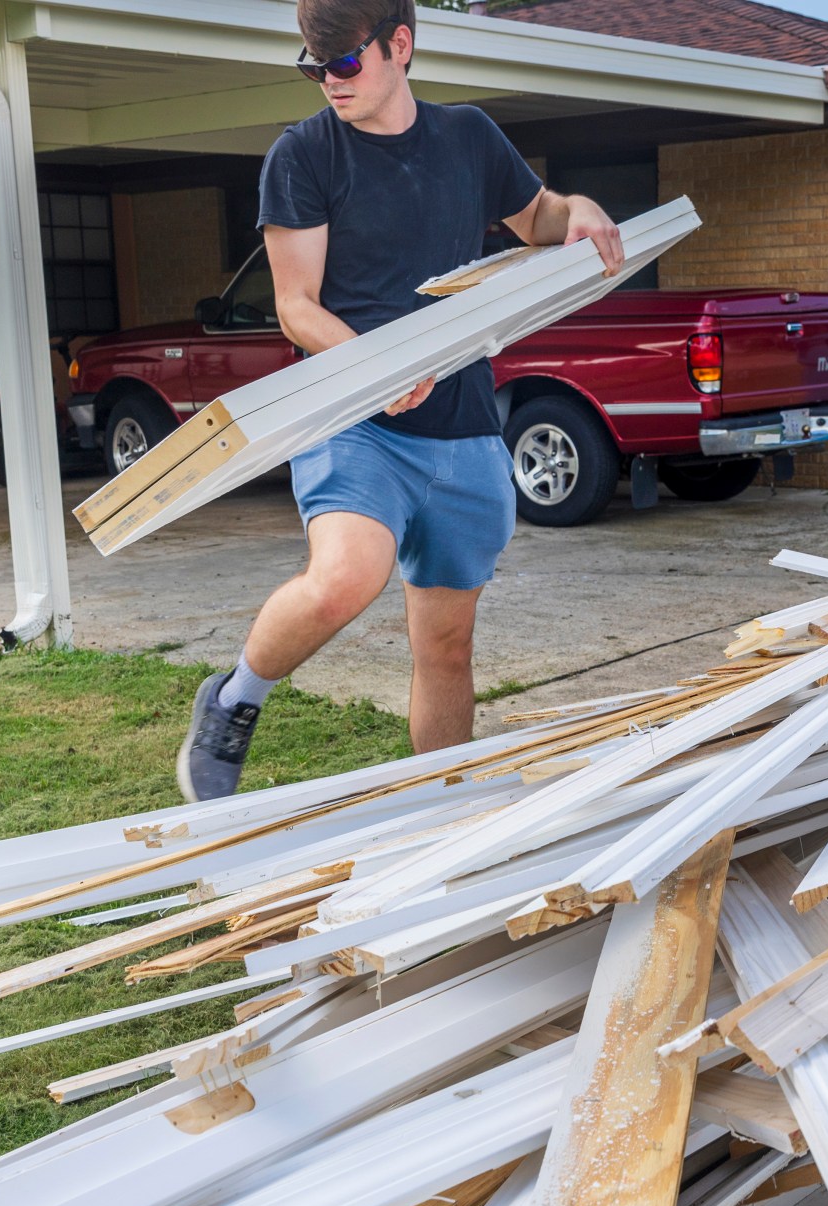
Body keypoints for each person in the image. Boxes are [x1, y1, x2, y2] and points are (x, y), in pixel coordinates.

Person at [177, 0, 625, 803]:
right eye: (313, 68)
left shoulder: (469, 139)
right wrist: (378, 368)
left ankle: (443, 809)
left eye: (344, 63)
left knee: (447, 645)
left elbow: (540, 219)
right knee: (347, 577)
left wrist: (578, 210)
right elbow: (297, 305)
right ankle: (235, 697)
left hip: (463, 429)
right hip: (355, 419)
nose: (329, 83)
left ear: (400, 46)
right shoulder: (302, 155)